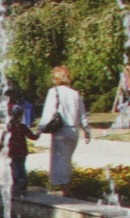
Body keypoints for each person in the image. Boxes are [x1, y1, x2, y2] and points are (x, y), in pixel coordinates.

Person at [37, 65, 91, 194]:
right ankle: (66, 186)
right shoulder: (75, 93)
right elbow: (82, 114)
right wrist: (86, 131)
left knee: (59, 159)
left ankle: (64, 189)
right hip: (73, 130)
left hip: (60, 130)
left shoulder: (54, 92)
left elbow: (48, 112)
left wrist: (40, 129)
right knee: (67, 159)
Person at [0, 105, 40, 195]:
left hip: (13, 152)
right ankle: (21, 186)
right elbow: (33, 137)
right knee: (20, 168)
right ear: (21, 115)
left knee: (15, 169)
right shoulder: (22, 127)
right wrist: (39, 133)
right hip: (22, 151)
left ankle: (18, 186)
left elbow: (3, 140)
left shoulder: (9, 127)